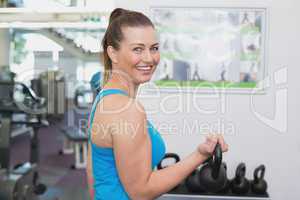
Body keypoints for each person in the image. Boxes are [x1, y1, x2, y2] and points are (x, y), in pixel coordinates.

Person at [86, 8, 229, 200]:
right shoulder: (127, 110)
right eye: (138, 49)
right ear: (113, 53)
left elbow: (92, 172)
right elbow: (141, 192)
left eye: (154, 48)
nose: (149, 58)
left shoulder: (103, 98)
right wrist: (199, 156)